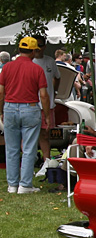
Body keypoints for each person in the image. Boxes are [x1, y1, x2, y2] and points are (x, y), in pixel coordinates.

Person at [0, 37, 50, 193]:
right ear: (34, 51)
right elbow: (44, 95)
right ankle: (25, 184)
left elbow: (1, 92)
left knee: (12, 148)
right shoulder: (37, 69)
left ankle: (12, 184)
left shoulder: (7, 67)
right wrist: (47, 115)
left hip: (9, 107)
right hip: (31, 108)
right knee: (29, 148)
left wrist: (1, 110)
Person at [32, 39, 58, 161]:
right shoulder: (29, 62)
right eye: (35, 45)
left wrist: (54, 92)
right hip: (31, 104)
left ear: (44, 46)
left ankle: (46, 161)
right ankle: (30, 161)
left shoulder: (50, 61)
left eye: (40, 45)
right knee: (29, 135)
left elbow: (57, 77)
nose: (38, 48)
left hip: (47, 105)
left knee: (45, 134)